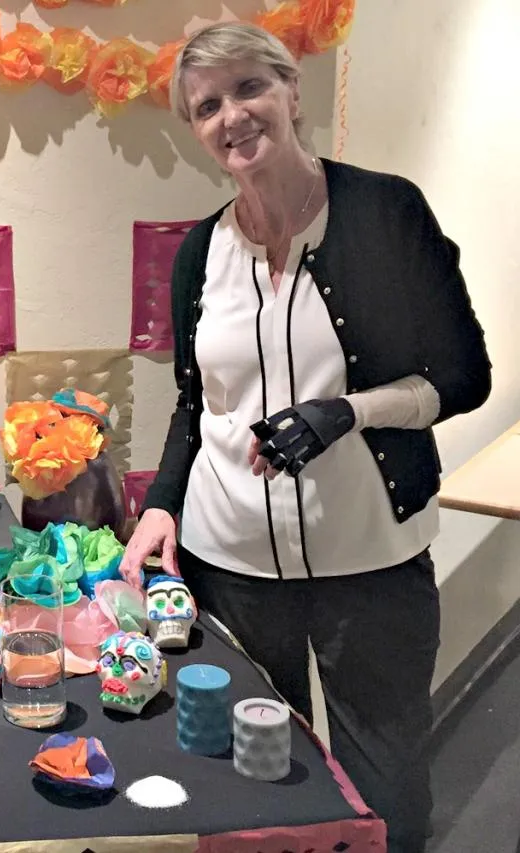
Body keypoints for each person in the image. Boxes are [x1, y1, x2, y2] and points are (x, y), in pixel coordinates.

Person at [117, 22, 491, 853]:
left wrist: (349, 412)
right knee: (257, 781)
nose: (233, 116)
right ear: (196, 130)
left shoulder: (386, 212)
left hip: (374, 565)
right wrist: (161, 506)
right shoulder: (198, 254)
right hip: (233, 570)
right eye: (208, 105)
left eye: (249, 87)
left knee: (385, 778)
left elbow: (466, 375)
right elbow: (194, 402)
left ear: (291, 90)